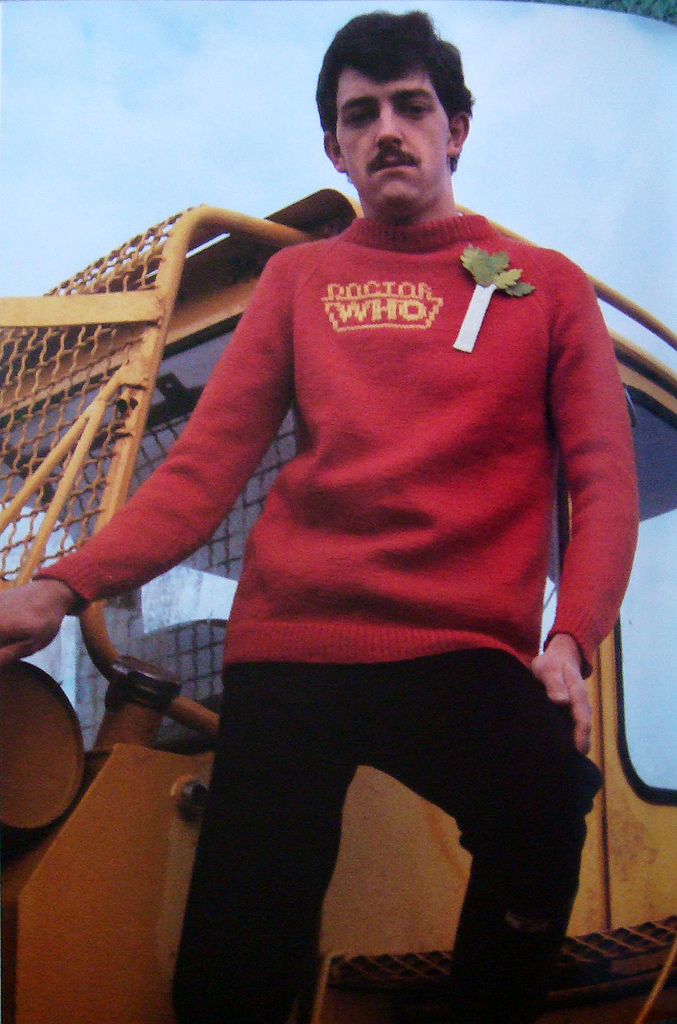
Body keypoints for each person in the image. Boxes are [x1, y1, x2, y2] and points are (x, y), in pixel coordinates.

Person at [0, 11, 638, 1024]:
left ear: (454, 129)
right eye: (359, 114)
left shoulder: (548, 287)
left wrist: (570, 639)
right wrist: (58, 585)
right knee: (234, 955)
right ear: (334, 148)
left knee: (546, 796)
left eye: (409, 106)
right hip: (293, 646)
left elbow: (603, 483)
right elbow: (201, 471)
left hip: (455, 648)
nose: (386, 129)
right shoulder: (299, 279)